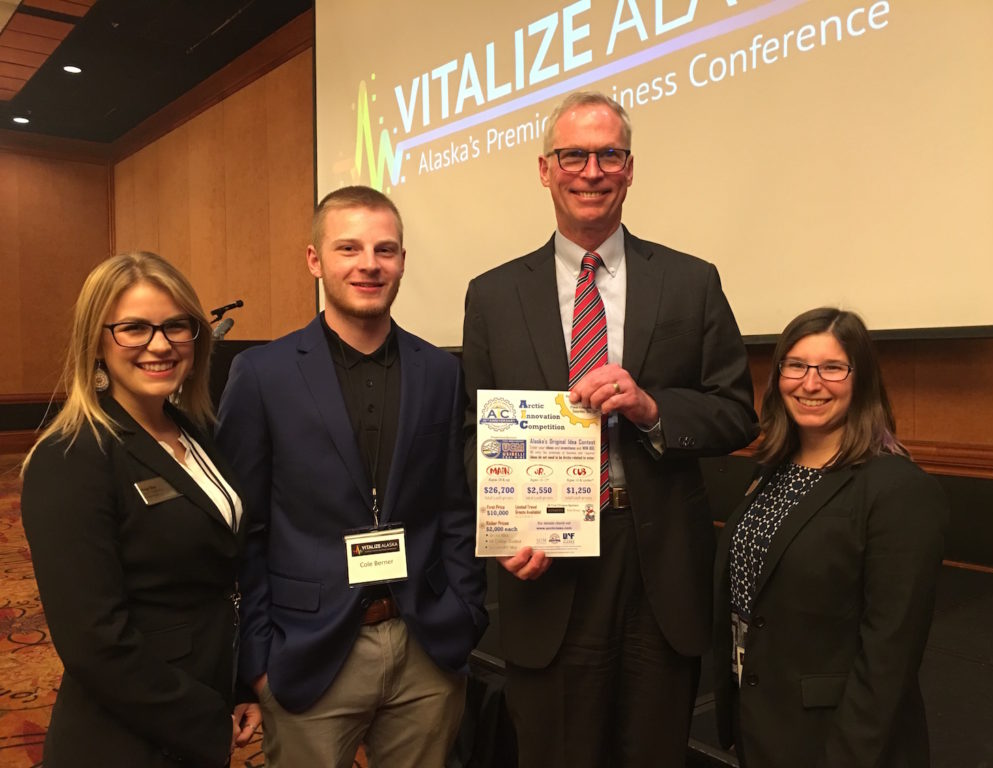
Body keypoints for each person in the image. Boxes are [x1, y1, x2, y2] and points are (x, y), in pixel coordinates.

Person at [461, 91, 759, 766]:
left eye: (608, 155)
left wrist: (653, 409)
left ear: (629, 168)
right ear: (545, 169)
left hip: (658, 563)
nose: (590, 171)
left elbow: (737, 411)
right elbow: (472, 433)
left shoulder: (690, 282)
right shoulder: (493, 294)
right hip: (547, 562)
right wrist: (501, 533)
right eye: (573, 155)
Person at [216, 185, 487, 768]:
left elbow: (455, 506)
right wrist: (257, 663)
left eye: (385, 250)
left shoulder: (440, 371)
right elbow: (245, 528)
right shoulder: (261, 374)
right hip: (308, 652)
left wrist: (465, 611)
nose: (369, 264)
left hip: (426, 645)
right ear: (315, 260)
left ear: (403, 261)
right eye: (349, 248)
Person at [20, 251, 259, 767]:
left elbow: (214, 577)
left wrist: (238, 685)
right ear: (97, 343)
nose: (160, 344)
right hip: (125, 735)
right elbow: (94, 642)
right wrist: (202, 717)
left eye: (177, 326)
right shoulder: (71, 457)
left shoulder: (194, 432)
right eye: (133, 328)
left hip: (199, 702)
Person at [712, 307, 949, 767]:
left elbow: (890, 657)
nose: (810, 382)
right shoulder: (774, 471)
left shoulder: (898, 490)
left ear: (862, 379)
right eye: (796, 365)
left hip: (839, 741)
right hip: (763, 722)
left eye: (832, 368)